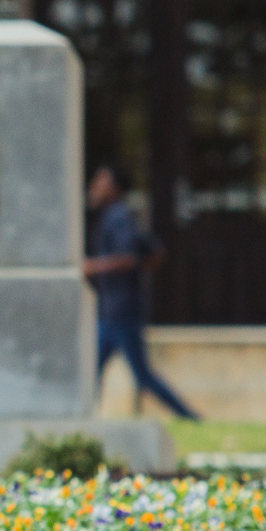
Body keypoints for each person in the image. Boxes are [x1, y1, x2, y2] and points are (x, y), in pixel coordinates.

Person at [82, 165, 200, 421]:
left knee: (139, 375)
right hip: (114, 309)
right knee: (93, 371)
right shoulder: (118, 216)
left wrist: (92, 266)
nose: (94, 187)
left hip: (121, 311)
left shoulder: (118, 217)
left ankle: (190, 418)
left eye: (100, 182)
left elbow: (130, 259)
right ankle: (82, 419)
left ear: (115, 189)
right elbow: (154, 252)